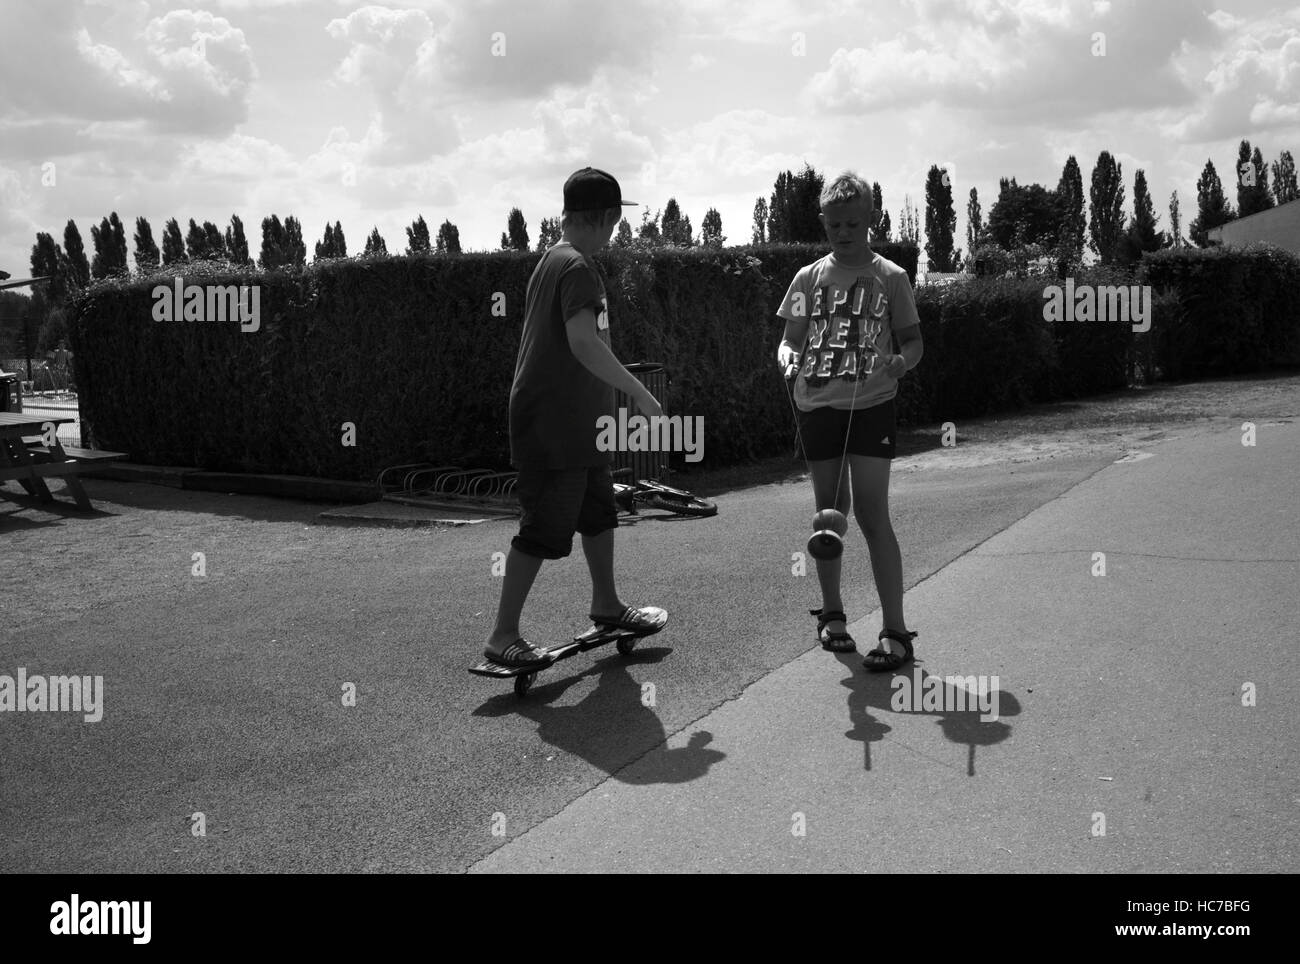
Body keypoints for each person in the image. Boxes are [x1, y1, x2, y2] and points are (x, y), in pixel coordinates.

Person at [483, 168, 665, 667]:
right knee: (542, 528)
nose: (616, 231)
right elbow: (584, 343)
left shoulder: (552, 261)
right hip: (554, 425)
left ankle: (606, 604)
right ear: (606, 217)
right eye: (615, 221)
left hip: (576, 424)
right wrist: (638, 393)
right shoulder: (579, 269)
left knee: (598, 513)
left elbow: (578, 347)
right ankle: (502, 637)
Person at [775, 170, 924, 671]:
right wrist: (786, 357)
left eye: (853, 223)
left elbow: (913, 342)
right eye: (835, 224)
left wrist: (903, 361)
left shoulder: (892, 277)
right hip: (818, 404)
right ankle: (832, 615)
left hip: (872, 404)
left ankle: (896, 631)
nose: (843, 233)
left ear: (870, 220)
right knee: (829, 514)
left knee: (872, 515)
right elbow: (790, 338)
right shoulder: (805, 279)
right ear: (824, 221)